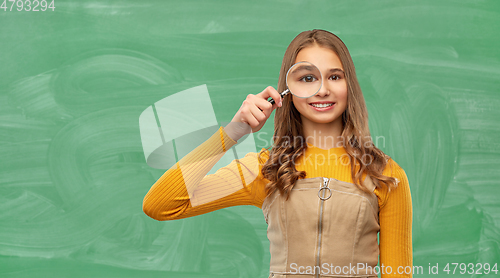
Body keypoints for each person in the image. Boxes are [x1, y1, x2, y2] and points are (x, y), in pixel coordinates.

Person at [143, 29, 413, 278]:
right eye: (307, 78)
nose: (322, 89)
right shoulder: (266, 169)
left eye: (334, 76)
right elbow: (160, 205)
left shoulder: (385, 174)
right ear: (288, 91)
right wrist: (232, 132)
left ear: (349, 85)